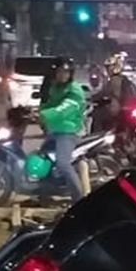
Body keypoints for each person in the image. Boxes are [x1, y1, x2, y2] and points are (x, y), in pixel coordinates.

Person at [38, 59, 87, 204]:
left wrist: (44, 115)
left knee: (63, 164)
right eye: (59, 72)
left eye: (65, 72)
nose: (62, 75)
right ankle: (45, 193)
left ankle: (79, 199)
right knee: (43, 158)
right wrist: (34, 111)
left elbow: (64, 109)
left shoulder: (74, 90)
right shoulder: (56, 88)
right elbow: (50, 105)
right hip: (56, 131)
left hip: (69, 132)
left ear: (70, 74)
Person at [91, 54, 136, 134]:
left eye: (109, 67)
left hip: (119, 110)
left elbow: (105, 93)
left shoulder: (114, 80)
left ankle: (97, 137)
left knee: (97, 115)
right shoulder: (123, 79)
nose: (108, 70)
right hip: (126, 109)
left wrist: (92, 98)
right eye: (107, 67)